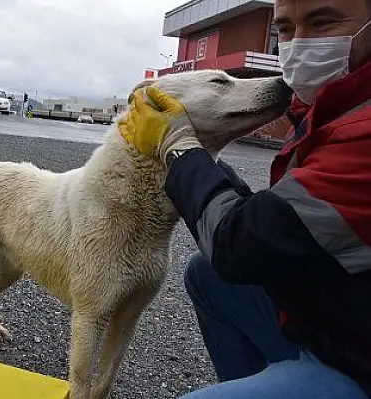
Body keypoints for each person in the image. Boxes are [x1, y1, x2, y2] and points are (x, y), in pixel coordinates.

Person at [120, 0, 371, 397]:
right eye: (285, 30)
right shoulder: (332, 109)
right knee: (207, 274)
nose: (299, 44)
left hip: (357, 359)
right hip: (343, 318)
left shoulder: (362, 129)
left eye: (323, 21)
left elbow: (239, 246)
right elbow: (276, 221)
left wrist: (182, 148)